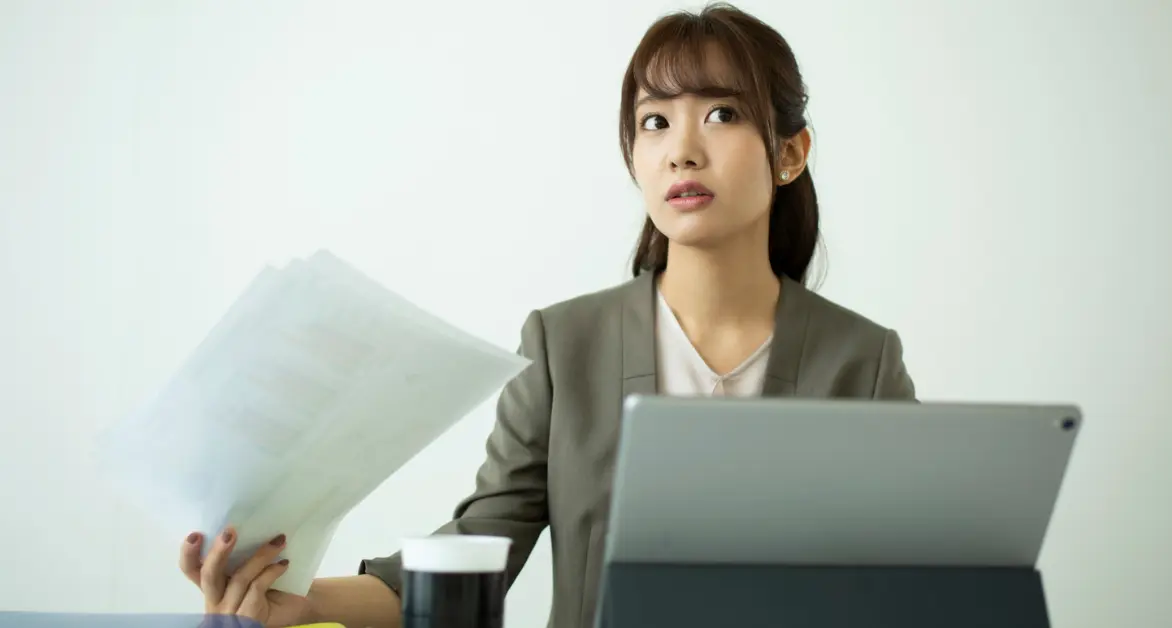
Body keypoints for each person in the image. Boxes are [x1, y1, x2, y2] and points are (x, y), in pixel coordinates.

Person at [177, 3, 917, 627]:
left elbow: (916, 578)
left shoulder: (865, 360)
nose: (681, 151)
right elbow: (473, 553)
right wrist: (297, 604)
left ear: (791, 153)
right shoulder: (565, 346)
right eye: (654, 122)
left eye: (721, 113)